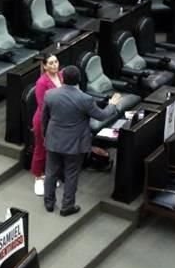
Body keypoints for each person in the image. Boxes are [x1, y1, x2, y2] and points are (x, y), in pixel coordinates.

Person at [42, 66, 122, 216]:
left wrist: (46, 136)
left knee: (50, 172)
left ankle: (49, 203)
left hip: (53, 140)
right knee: (71, 174)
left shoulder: (50, 94)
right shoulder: (85, 99)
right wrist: (113, 104)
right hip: (74, 144)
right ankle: (67, 207)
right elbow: (102, 115)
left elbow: (44, 118)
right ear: (79, 79)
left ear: (62, 78)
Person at [31, 55, 63, 196]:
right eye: (50, 63)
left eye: (56, 62)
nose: (54, 65)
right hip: (44, 121)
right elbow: (42, 105)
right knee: (41, 148)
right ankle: (38, 176)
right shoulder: (41, 82)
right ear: (45, 66)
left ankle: (49, 175)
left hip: (57, 119)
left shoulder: (61, 76)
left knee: (53, 149)